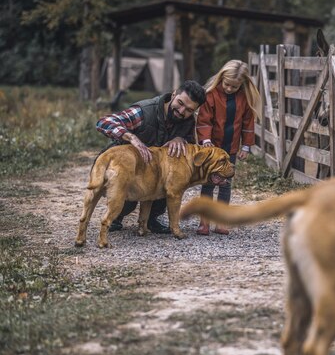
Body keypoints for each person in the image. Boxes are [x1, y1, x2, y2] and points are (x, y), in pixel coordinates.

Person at [95, 80, 207, 234]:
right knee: (128, 197)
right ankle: (116, 216)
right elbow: (104, 122)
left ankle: (152, 218)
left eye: (188, 109)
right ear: (173, 94)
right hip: (123, 167)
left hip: (153, 171)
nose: (181, 111)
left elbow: (191, 148)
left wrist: (182, 139)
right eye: (180, 103)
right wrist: (131, 137)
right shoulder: (145, 111)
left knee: (172, 175)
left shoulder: (188, 121)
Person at [196, 60, 261, 235]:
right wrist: (205, 140)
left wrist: (246, 146)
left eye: (234, 86)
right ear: (221, 78)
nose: (229, 89)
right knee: (208, 183)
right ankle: (204, 222)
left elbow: (248, 123)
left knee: (225, 184)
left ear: (242, 84)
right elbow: (204, 120)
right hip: (212, 150)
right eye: (227, 84)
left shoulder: (244, 99)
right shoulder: (210, 95)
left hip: (230, 149)